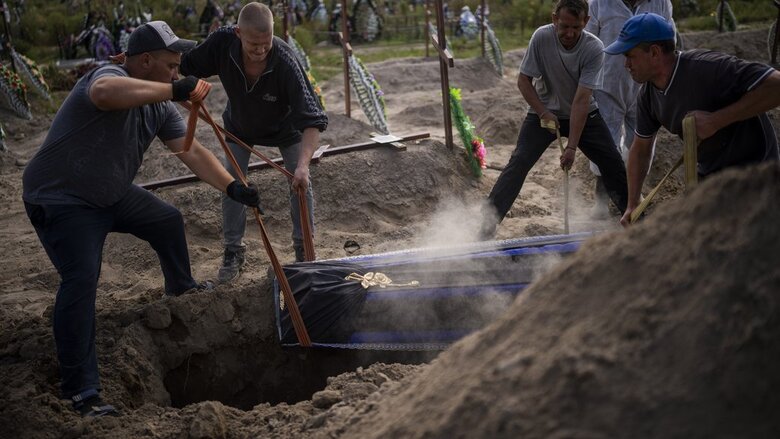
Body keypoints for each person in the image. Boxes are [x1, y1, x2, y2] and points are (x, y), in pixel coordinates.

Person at [21, 21, 262, 417]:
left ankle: (180, 288)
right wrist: (173, 90)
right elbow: (103, 94)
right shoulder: (108, 75)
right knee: (81, 280)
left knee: (166, 220)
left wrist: (232, 187)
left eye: (178, 68)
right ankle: (81, 391)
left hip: (109, 194)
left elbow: (191, 151)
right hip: (62, 200)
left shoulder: (159, 105)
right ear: (145, 60)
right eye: (170, 66)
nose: (176, 73)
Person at [180, 2, 328, 283]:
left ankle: (304, 251)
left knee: (300, 183)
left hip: (286, 129)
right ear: (238, 33)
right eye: (253, 45)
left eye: (266, 44)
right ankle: (233, 251)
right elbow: (184, 65)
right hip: (240, 127)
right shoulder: (222, 43)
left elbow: (312, 119)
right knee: (232, 182)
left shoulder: (285, 61)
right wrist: (181, 85)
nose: (260, 51)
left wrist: (303, 167)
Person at [602, 13, 780, 226]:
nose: (626, 64)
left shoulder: (708, 69)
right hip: (712, 178)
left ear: (655, 52)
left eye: (630, 55)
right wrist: (632, 204)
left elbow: (775, 85)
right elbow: (640, 150)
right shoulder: (648, 96)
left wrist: (716, 120)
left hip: (756, 172)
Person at [482, 0, 628, 238]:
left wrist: (571, 147)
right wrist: (542, 111)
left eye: (576, 28)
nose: (569, 33)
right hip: (543, 112)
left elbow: (582, 100)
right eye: (564, 26)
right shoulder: (541, 37)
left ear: (586, 22)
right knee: (518, 163)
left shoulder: (594, 48)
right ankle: (485, 227)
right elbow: (523, 81)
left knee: (612, 164)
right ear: (554, 19)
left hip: (584, 114)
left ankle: (636, 219)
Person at [584, 0, 676, 215]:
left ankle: (634, 193)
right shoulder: (598, 3)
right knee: (606, 143)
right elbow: (587, 42)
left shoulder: (661, 3)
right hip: (607, 83)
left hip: (646, 85)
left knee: (643, 141)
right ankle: (602, 199)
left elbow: (670, 38)